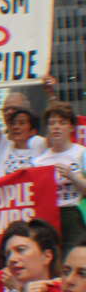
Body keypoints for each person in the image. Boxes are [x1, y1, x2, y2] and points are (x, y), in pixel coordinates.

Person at [33, 102, 86, 247]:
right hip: (48, 217)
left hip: (74, 214)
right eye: (52, 123)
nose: (56, 127)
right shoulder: (39, 161)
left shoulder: (81, 153)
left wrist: (74, 177)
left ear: (71, 127)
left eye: (62, 123)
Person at [0, 90, 46, 178]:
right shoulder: (2, 144)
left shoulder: (41, 143)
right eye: (5, 110)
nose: (9, 112)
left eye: (21, 123)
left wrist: (51, 94)